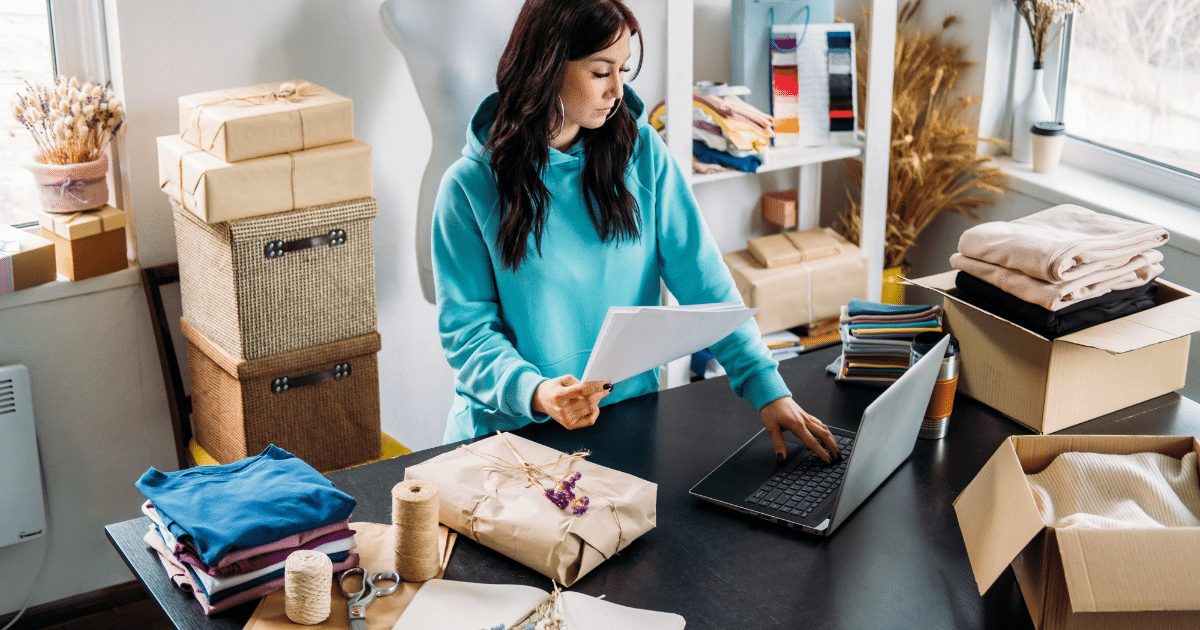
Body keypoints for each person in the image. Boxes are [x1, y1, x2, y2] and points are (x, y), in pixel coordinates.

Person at [431, 0, 841, 463]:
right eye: (601, 72)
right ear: (545, 66)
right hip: (510, 438)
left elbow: (704, 281)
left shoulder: (642, 153)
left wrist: (768, 389)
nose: (617, 91)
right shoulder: (468, 188)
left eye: (624, 70)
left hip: (625, 422)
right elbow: (469, 335)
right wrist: (538, 392)